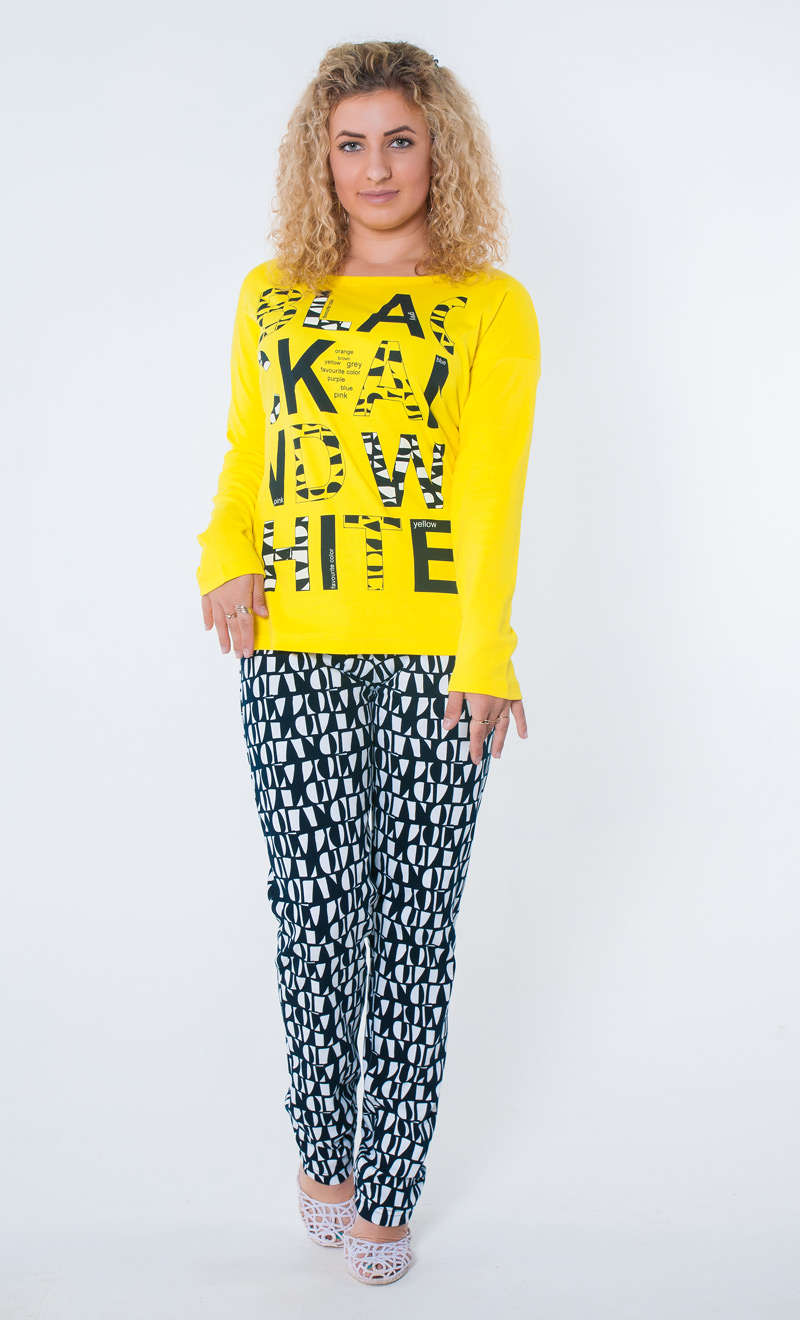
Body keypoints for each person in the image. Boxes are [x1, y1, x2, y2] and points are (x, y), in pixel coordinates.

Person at [195, 39, 541, 1287]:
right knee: (314, 916)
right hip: (290, 651)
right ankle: (323, 1156)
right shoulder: (270, 294)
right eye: (350, 144)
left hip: (440, 659)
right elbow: (249, 447)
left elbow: (493, 487)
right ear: (319, 157)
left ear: (438, 150)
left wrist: (485, 650)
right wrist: (223, 555)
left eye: (400, 140)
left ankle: (388, 1186)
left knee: (413, 928)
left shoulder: (488, 305)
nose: (375, 167)